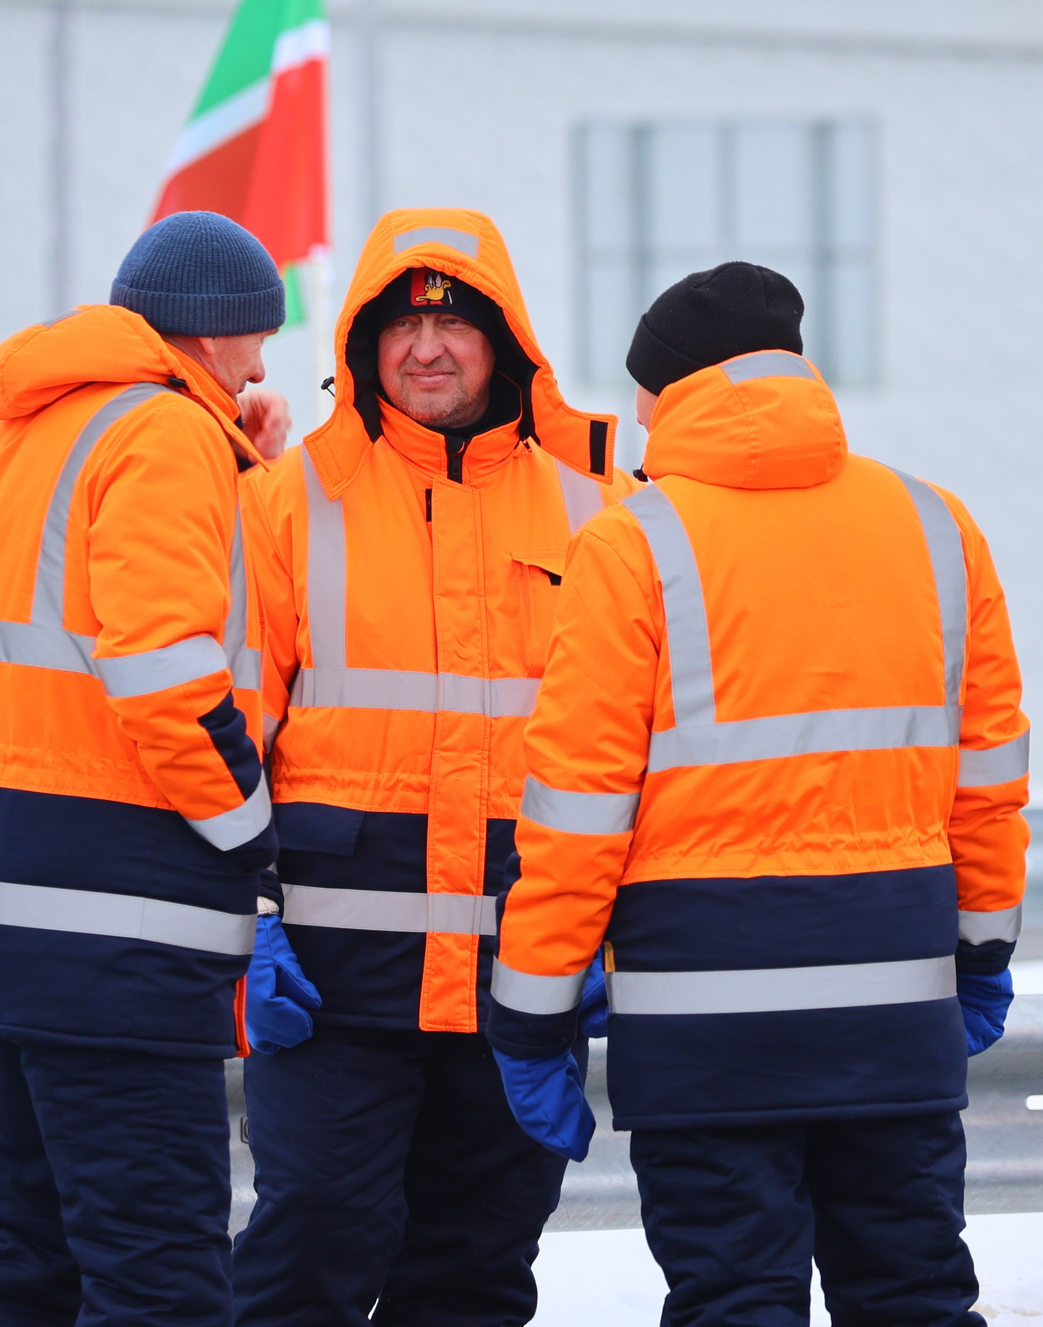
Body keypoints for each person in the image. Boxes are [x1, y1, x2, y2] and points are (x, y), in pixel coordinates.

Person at [485, 262, 1031, 1327]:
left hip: (704, 1027)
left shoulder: (634, 542)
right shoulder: (935, 525)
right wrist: (981, 953)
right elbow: (988, 783)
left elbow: (575, 813)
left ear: (666, 394)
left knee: (734, 1298)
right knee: (915, 1290)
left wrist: (531, 1013)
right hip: (892, 1004)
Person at [230, 209, 636, 1327]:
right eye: (398, 327)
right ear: (359, 345)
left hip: (523, 974)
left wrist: (615, 928)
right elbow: (223, 743)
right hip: (329, 986)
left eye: (453, 322)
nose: (424, 350)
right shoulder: (284, 505)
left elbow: (639, 743)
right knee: (311, 1239)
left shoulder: (601, 513)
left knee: (475, 1269)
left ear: (504, 340)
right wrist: (243, 921)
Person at [0, 210, 295, 1327]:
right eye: (256, 340)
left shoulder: (38, 422)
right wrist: (252, 831)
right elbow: (160, 670)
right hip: (123, 922)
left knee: (29, 1262)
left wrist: (245, 454)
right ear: (213, 337)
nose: (264, 365)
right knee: (162, 1279)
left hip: (11, 898)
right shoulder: (165, 434)